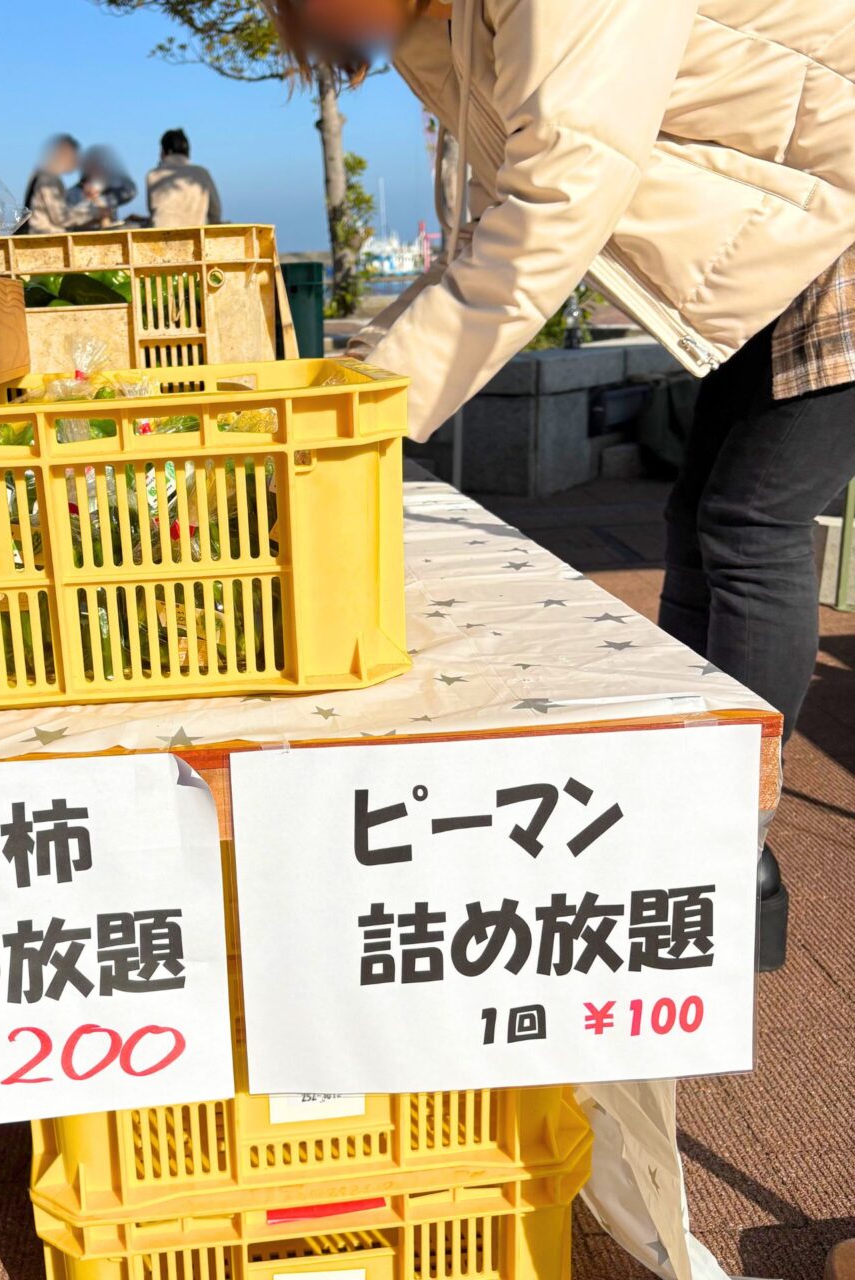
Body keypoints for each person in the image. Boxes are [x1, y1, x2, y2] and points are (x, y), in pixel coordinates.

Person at [269, 0, 855, 972]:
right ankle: (678, 780)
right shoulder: (449, 22)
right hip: (788, 224)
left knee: (749, 523)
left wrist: (369, 408)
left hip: (833, 223)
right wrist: (360, 378)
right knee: (698, 519)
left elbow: (556, 199)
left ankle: (723, 843)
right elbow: (489, 225)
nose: (321, 30)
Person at [23, 134, 106, 235]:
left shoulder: (46, 176)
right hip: (43, 239)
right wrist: (96, 213)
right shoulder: (48, 180)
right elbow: (61, 217)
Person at [147, 129, 221, 228]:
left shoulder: (152, 175)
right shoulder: (202, 173)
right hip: (195, 237)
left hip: (162, 238)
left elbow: (154, 212)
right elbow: (215, 213)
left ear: (164, 151)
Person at [68, 145, 137, 226]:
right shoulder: (72, 194)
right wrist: (87, 199)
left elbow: (131, 191)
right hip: (84, 233)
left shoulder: (109, 192)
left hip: (109, 232)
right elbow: (66, 217)